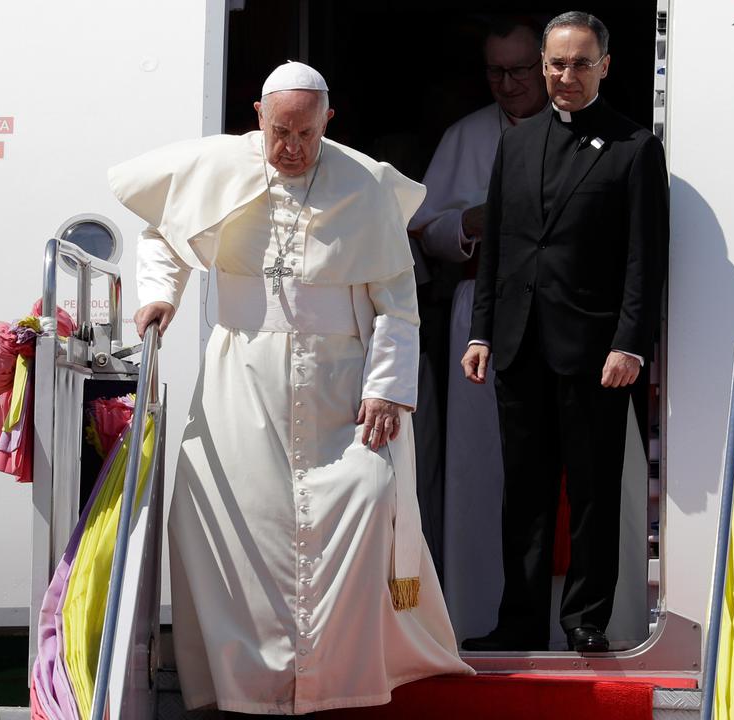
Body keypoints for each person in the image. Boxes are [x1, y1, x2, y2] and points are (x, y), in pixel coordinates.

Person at [110, 61, 472, 714]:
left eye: (307, 133)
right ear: (258, 115)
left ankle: (337, 683)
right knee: (213, 515)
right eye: (281, 132)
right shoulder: (219, 167)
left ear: (327, 121)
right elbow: (163, 231)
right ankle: (249, 688)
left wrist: (387, 388)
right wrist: (161, 296)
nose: (292, 149)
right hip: (239, 384)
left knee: (366, 497)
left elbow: (397, 300)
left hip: (340, 389)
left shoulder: (363, 186)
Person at [461, 12, 668, 653]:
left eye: (580, 63)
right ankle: (519, 621)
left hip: (595, 352)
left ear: (605, 65)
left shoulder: (635, 148)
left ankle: (586, 620)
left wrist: (630, 342)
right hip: (520, 346)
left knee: (592, 492)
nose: (564, 76)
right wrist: (480, 332)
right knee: (522, 494)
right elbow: (497, 247)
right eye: (555, 63)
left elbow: (645, 257)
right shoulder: (516, 144)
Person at [408, 18, 548, 642]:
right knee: (477, 465)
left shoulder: (592, 136)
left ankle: (561, 623)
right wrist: (471, 221)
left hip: (560, 315)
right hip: (478, 309)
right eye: (497, 72)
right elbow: (423, 226)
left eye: (521, 70)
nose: (509, 84)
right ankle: (473, 613)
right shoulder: (465, 135)